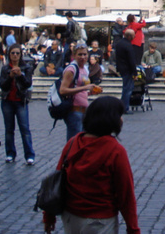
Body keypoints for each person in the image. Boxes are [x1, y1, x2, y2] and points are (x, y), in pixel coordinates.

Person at [43, 96, 140, 234]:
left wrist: (49, 217)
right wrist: (133, 228)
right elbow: (126, 194)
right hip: (101, 220)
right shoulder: (116, 151)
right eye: (119, 115)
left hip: (71, 216)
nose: (122, 120)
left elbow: (56, 181)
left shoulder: (72, 143)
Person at [0, 43, 35, 165]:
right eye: (13, 53)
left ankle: (29, 155)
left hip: (20, 101)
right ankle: (10, 153)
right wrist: (10, 77)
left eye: (17, 53)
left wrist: (20, 76)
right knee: (9, 129)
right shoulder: (5, 68)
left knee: (25, 129)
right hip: (7, 101)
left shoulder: (26, 67)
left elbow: (28, 84)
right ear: (9, 54)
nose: (15, 55)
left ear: (21, 55)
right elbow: (2, 86)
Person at [114, 29, 138, 112]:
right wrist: (135, 73)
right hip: (128, 69)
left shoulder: (119, 44)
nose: (134, 37)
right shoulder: (128, 45)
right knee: (128, 89)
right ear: (129, 36)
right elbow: (131, 60)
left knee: (125, 88)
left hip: (121, 68)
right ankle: (125, 107)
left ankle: (122, 106)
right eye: (133, 36)